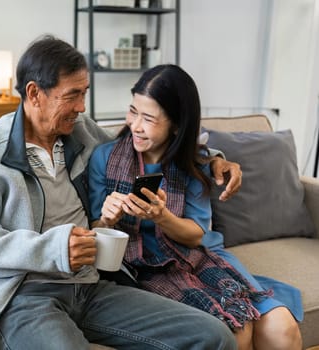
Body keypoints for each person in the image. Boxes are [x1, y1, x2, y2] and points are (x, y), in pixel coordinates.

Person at [0, 35, 240, 350]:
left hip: (91, 286)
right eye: (72, 96)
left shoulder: (79, 129)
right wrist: (53, 249)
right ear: (34, 93)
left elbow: (138, 144)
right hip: (25, 294)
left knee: (214, 337)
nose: (81, 107)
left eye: (84, 94)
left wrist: (211, 160)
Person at [88, 64, 303, 350]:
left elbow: (195, 236)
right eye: (133, 111)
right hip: (142, 266)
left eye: (148, 118)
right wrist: (106, 219)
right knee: (237, 332)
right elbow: (95, 230)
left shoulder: (195, 163)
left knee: (282, 329)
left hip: (195, 255)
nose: (135, 125)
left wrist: (162, 217)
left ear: (176, 124)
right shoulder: (104, 157)